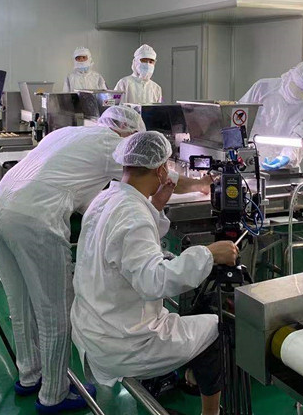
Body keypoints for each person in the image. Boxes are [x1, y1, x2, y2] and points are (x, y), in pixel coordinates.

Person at [0, 107, 208, 413]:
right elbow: (157, 172)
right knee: (54, 310)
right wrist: (201, 183)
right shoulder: (110, 143)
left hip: (2, 205)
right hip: (35, 219)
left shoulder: (69, 133)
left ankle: (29, 375)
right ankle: (53, 394)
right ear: (127, 133)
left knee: (20, 301)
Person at [72, 131, 239, 415]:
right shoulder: (133, 215)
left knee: (189, 320)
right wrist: (210, 254)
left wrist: (156, 205)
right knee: (219, 328)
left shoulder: (106, 198)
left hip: (92, 325)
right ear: (161, 170)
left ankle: (189, 376)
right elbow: (154, 281)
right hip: (124, 342)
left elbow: (124, 249)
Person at [239, 61, 303, 170]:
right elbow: (240, 116)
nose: (296, 95)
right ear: (291, 76)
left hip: (284, 166)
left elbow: (302, 137)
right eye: (296, 88)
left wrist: (286, 157)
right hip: (250, 159)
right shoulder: (263, 87)